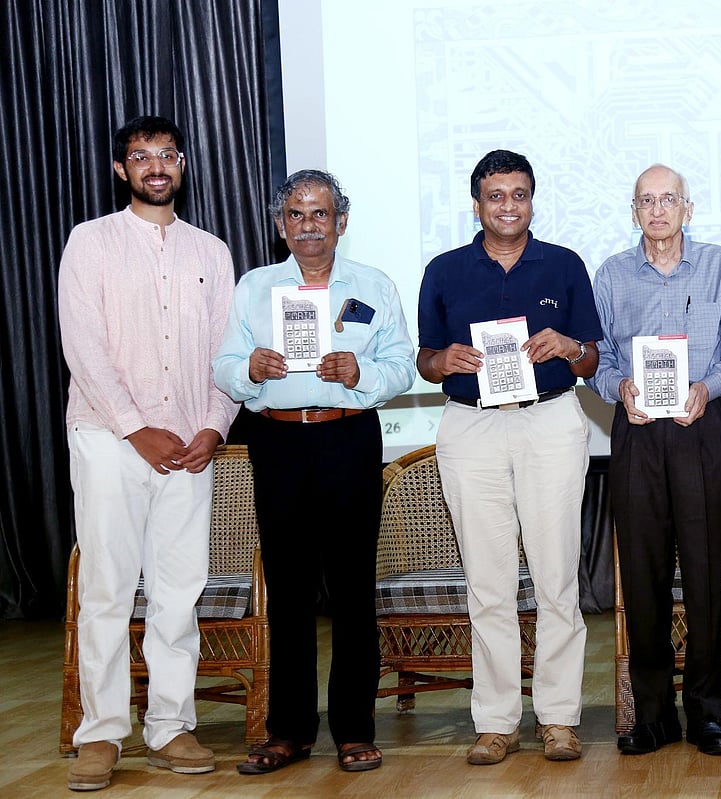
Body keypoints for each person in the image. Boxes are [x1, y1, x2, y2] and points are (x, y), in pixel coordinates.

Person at [213, 169, 416, 774]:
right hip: (276, 442)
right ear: (281, 225)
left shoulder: (373, 285)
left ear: (342, 223)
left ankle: (355, 729)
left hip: (348, 437)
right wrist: (248, 367)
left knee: (354, 590)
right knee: (290, 590)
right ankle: (289, 732)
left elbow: (403, 366)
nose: (309, 225)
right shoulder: (254, 287)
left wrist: (363, 374)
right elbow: (223, 364)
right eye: (297, 215)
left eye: (320, 214)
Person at [58, 115, 239, 791]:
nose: (155, 166)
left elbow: (228, 354)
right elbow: (84, 345)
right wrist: (136, 428)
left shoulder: (212, 252)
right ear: (121, 170)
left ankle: (170, 725)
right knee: (107, 589)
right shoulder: (91, 242)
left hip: (190, 448)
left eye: (166, 155)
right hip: (109, 440)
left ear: (183, 165)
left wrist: (214, 428)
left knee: (177, 592)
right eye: (141, 156)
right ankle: (100, 734)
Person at [417, 150, 601, 765]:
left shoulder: (565, 264)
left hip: (550, 422)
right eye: (496, 195)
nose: (508, 205)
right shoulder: (444, 271)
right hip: (471, 428)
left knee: (556, 580)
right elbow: (425, 358)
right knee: (488, 585)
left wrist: (570, 345)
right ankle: (495, 721)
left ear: (532, 199)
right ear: (477, 203)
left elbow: (590, 362)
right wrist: (442, 362)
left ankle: (558, 718)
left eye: (519, 194)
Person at [587, 164, 721, 757]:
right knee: (642, 575)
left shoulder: (720, 267)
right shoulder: (610, 275)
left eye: (669, 199)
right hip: (637, 433)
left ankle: (708, 714)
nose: (657, 210)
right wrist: (619, 388)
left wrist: (709, 386)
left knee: (707, 573)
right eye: (645, 201)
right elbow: (596, 356)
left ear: (689, 206)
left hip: (702, 427)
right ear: (632, 210)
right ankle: (653, 716)